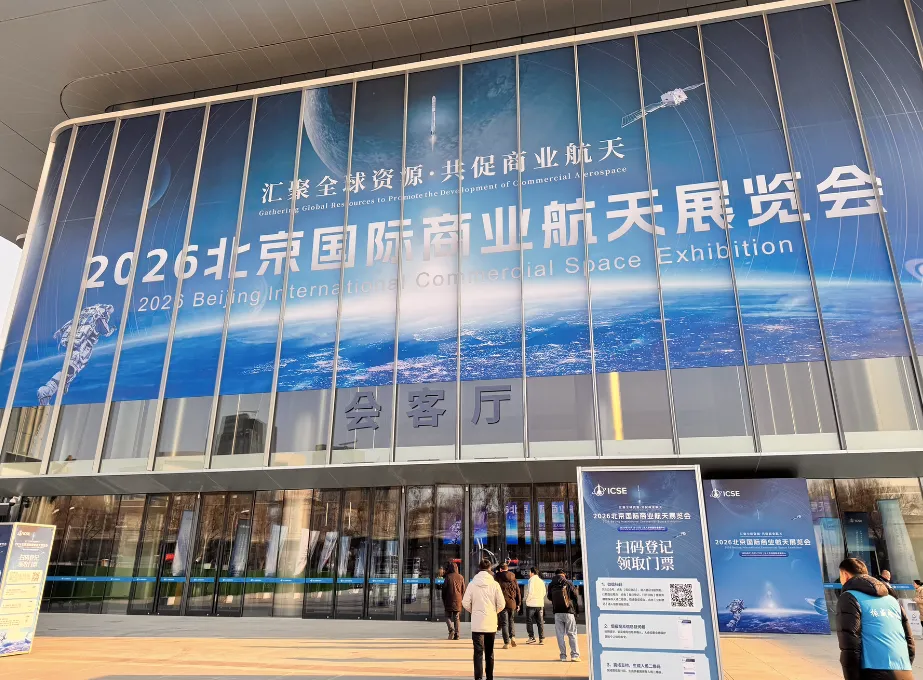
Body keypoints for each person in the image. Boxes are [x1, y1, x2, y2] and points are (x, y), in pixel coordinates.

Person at [836, 557, 914, 680]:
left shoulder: (849, 597)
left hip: (873, 670)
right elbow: (909, 638)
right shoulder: (892, 599)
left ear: (845, 575)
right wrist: (905, 664)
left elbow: (850, 643)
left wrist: (851, 675)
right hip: (904, 669)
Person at [463, 558, 506, 680]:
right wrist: (493, 612)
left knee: (478, 652)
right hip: (490, 623)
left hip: (477, 624)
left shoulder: (472, 584)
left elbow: (465, 602)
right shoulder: (495, 584)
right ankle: (489, 677)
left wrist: (474, 611)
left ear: (479, 568)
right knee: (489, 652)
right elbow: (502, 604)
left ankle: (478, 677)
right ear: (490, 569)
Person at [547, 568, 580, 662]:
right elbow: (575, 596)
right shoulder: (568, 583)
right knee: (572, 633)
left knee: (560, 635)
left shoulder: (551, 584)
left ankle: (563, 656)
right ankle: (574, 655)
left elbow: (549, 597)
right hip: (568, 611)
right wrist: (576, 610)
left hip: (557, 612)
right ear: (563, 574)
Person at [494, 562, 521, 648]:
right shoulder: (513, 577)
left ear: (500, 569)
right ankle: (512, 637)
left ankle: (506, 642)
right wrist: (518, 603)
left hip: (503, 603)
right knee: (511, 620)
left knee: (504, 623)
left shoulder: (497, 576)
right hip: (512, 603)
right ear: (507, 568)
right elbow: (518, 591)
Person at [442, 561, 466, 640]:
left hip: (449, 598)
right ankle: (457, 634)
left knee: (447, 616)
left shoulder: (448, 577)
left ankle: (451, 630)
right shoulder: (461, 577)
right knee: (456, 617)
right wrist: (462, 598)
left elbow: (444, 589)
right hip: (458, 599)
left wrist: (444, 598)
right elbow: (463, 590)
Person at [524, 566, 546, 644]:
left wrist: (527, 600)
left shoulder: (531, 580)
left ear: (532, 573)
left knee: (529, 621)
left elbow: (530, 592)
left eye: (529, 572)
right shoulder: (541, 581)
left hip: (531, 604)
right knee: (540, 622)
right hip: (540, 604)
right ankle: (541, 638)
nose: (529, 573)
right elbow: (544, 592)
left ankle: (531, 637)